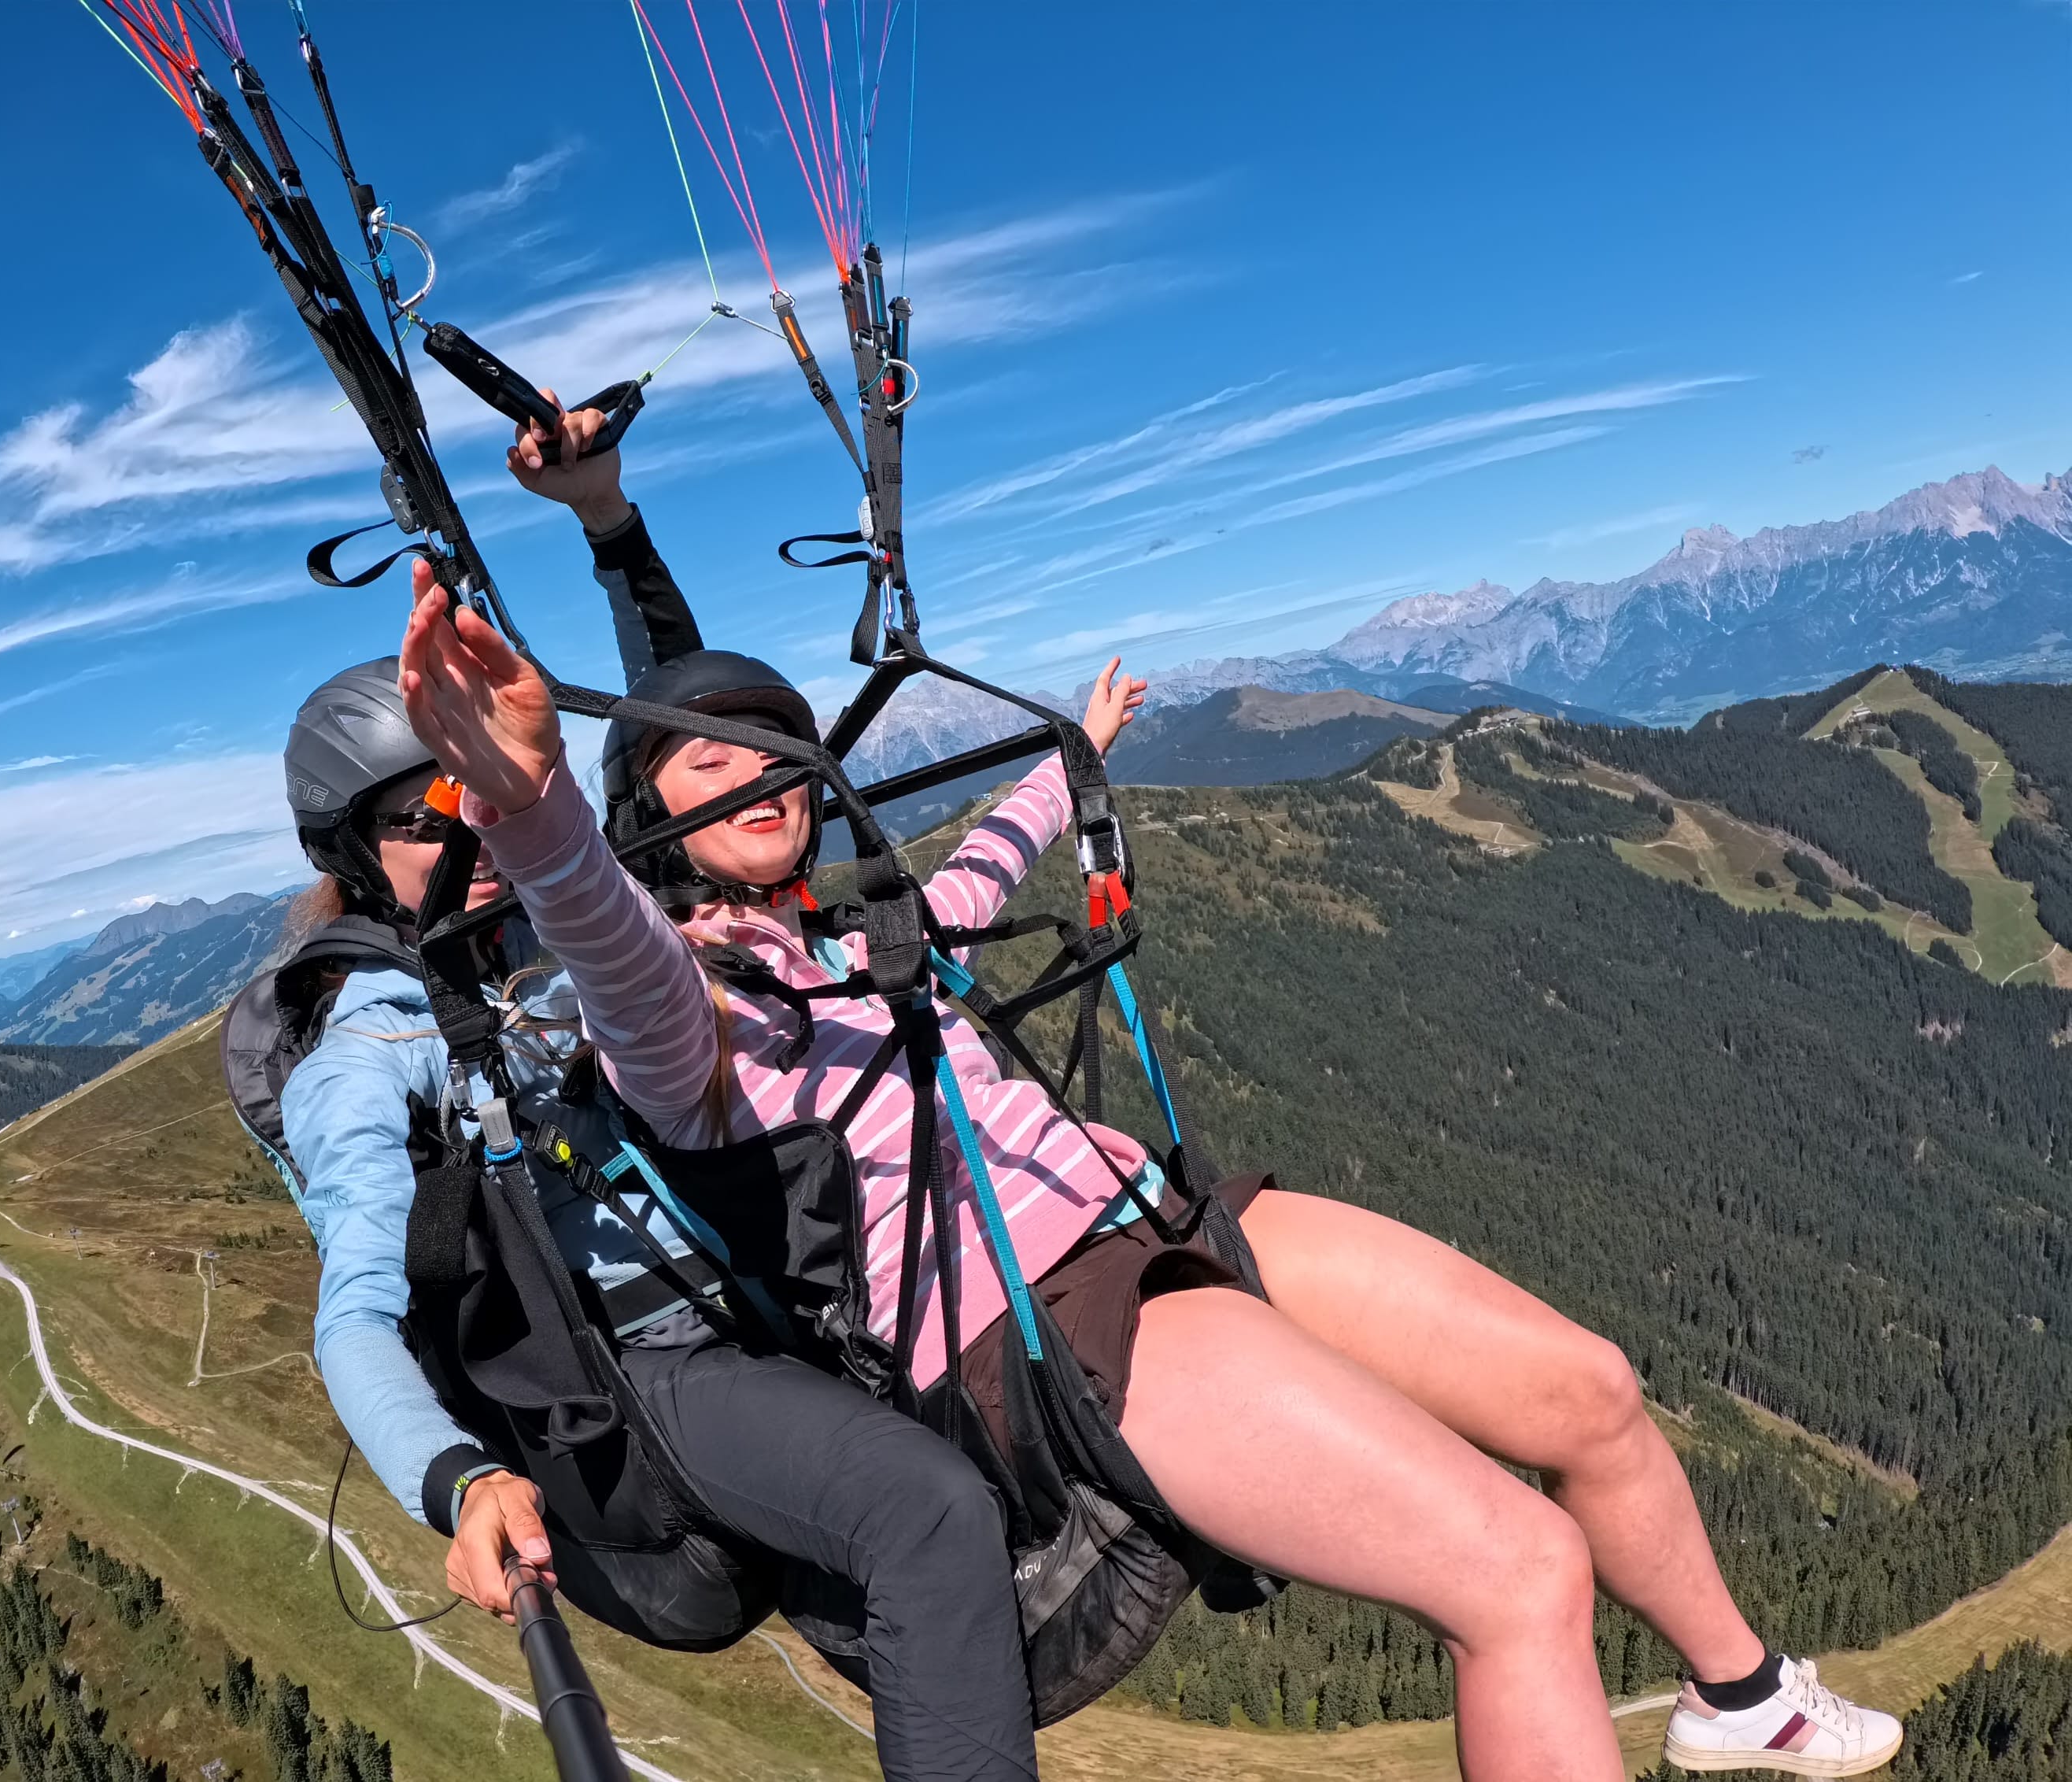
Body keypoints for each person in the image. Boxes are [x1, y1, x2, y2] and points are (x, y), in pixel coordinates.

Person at [395, 569, 1904, 1781]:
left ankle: (1744, 1696)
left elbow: (979, 873)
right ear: (652, 819)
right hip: (1035, 1320)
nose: (742, 767)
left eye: (760, 742)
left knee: (1592, 1392)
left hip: (1155, 1218)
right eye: (694, 757)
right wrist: (531, 816)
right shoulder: (686, 1013)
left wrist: (1077, 760)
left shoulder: (858, 939)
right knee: (1518, 1571)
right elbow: (613, 951)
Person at [267, 409, 1066, 1782]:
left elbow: (683, 725)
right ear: (354, 850)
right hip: (662, 1372)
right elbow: (355, 1319)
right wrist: (456, 1482)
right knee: (927, 1513)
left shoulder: (572, 932)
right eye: (420, 817)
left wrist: (609, 522)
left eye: (468, 795)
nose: (464, 828)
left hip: (765, 1280)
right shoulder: (371, 1057)